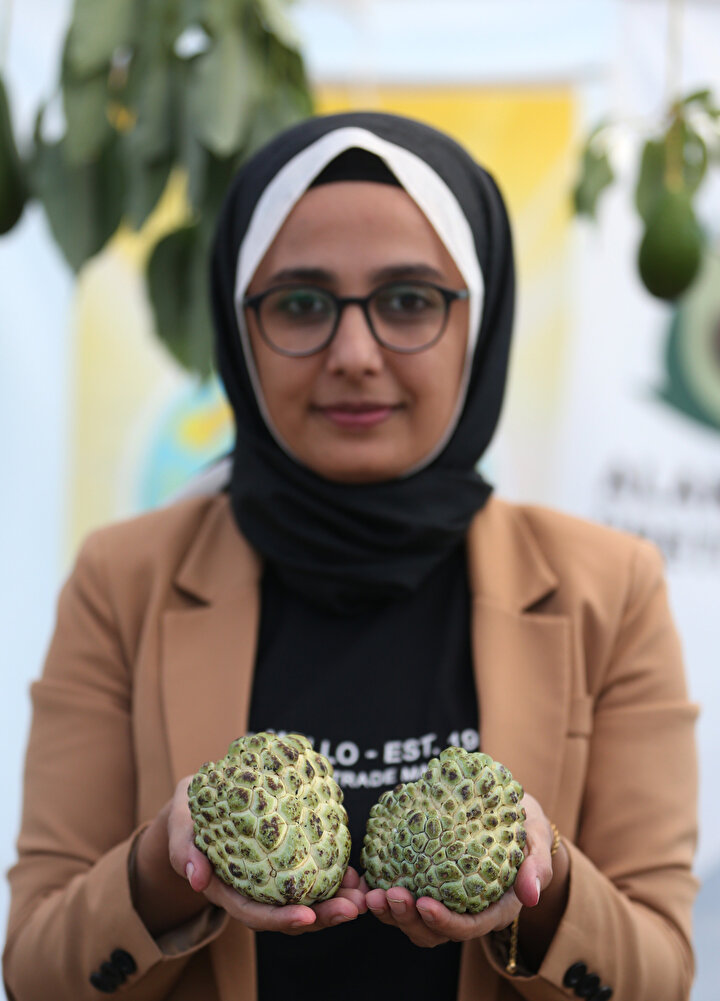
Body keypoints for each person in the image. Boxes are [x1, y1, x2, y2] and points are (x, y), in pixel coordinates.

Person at [3, 112, 698, 1001]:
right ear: (239, 328)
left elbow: (659, 977)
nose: (356, 354)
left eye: (409, 300)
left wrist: (544, 879)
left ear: (478, 322)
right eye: (302, 304)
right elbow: (38, 972)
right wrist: (167, 865)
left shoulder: (610, 587)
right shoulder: (122, 579)